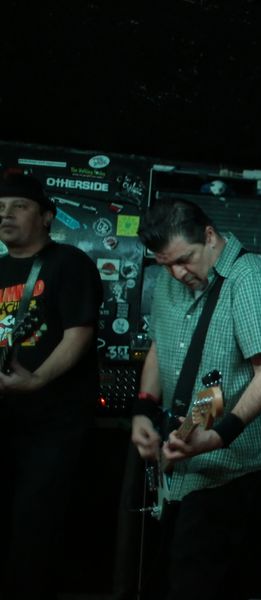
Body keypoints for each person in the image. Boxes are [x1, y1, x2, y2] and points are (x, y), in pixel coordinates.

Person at [130, 199, 261, 600]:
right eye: (165, 264)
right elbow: (160, 346)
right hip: (180, 460)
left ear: (208, 235)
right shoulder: (172, 277)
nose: (177, 273)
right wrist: (143, 411)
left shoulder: (249, 280)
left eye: (184, 260)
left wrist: (219, 435)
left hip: (229, 470)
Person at [0, 172, 102, 600]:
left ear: (46, 217)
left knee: (36, 524)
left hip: (52, 423)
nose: (6, 215)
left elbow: (79, 333)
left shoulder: (69, 263)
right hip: (5, 418)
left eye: (19, 206)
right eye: (0, 208)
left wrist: (37, 379)